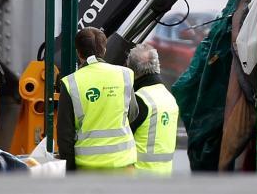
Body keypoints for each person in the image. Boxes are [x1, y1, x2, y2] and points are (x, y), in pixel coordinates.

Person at [57, 27, 138, 172]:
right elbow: (132, 113)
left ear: (78, 52)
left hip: (88, 169)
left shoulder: (70, 83)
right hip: (124, 165)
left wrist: (70, 171)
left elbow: (65, 135)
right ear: (104, 50)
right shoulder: (125, 75)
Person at [127, 43, 179, 175]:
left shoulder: (139, 100)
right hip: (164, 176)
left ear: (133, 71)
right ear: (157, 66)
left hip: (139, 177)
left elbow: (122, 138)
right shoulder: (170, 99)